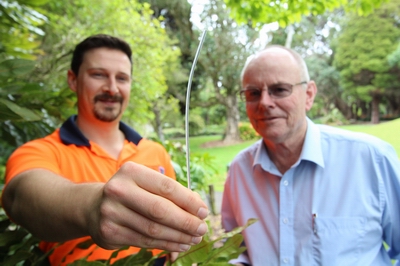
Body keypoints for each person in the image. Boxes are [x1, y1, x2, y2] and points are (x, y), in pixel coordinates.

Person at [1, 34, 209, 266]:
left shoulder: (155, 151)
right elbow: (20, 197)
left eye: (122, 78)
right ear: (73, 80)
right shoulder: (41, 151)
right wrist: (92, 206)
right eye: (98, 75)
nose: (112, 88)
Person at [221, 45, 400, 265]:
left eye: (279, 89)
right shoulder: (239, 170)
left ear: (309, 95)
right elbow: (237, 248)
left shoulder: (371, 160)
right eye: (253, 93)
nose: (264, 102)